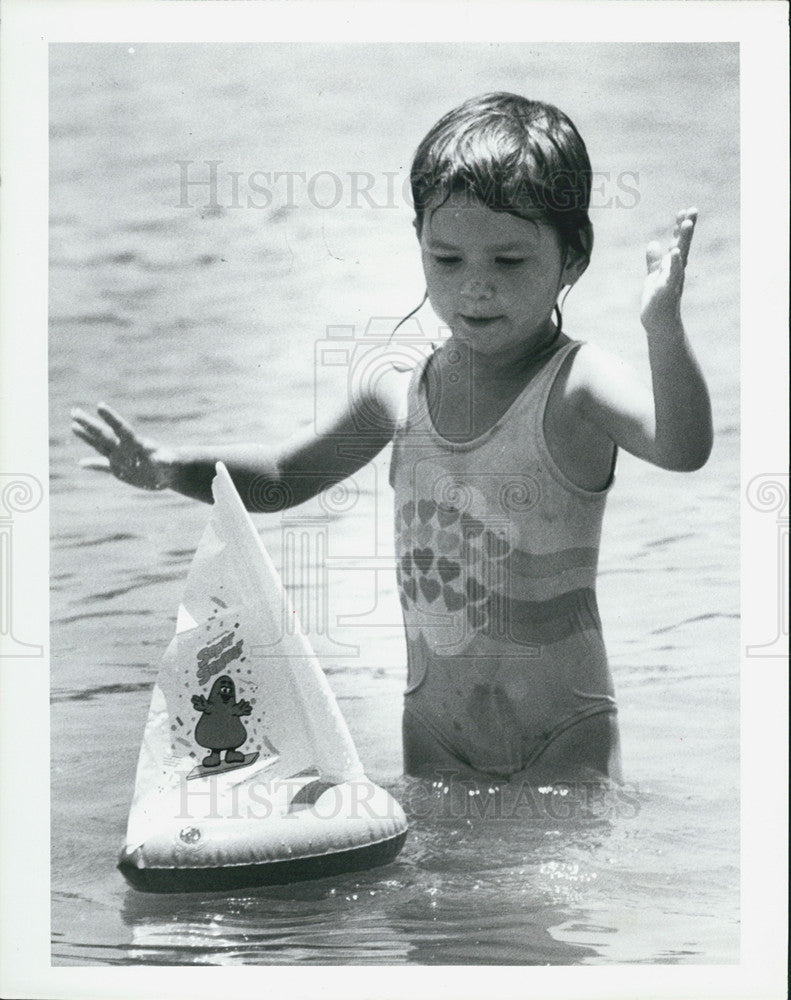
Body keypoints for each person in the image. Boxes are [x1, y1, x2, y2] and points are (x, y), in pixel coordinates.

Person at [72, 93, 712, 785]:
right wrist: (172, 467)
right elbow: (284, 478)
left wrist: (661, 328)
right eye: (447, 259)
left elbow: (681, 447)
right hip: (434, 729)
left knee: (539, 891)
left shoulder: (576, 384)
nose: (475, 287)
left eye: (507, 262)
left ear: (572, 260)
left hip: (561, 732)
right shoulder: (399, 390)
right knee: (435, 892)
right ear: (419, 246)